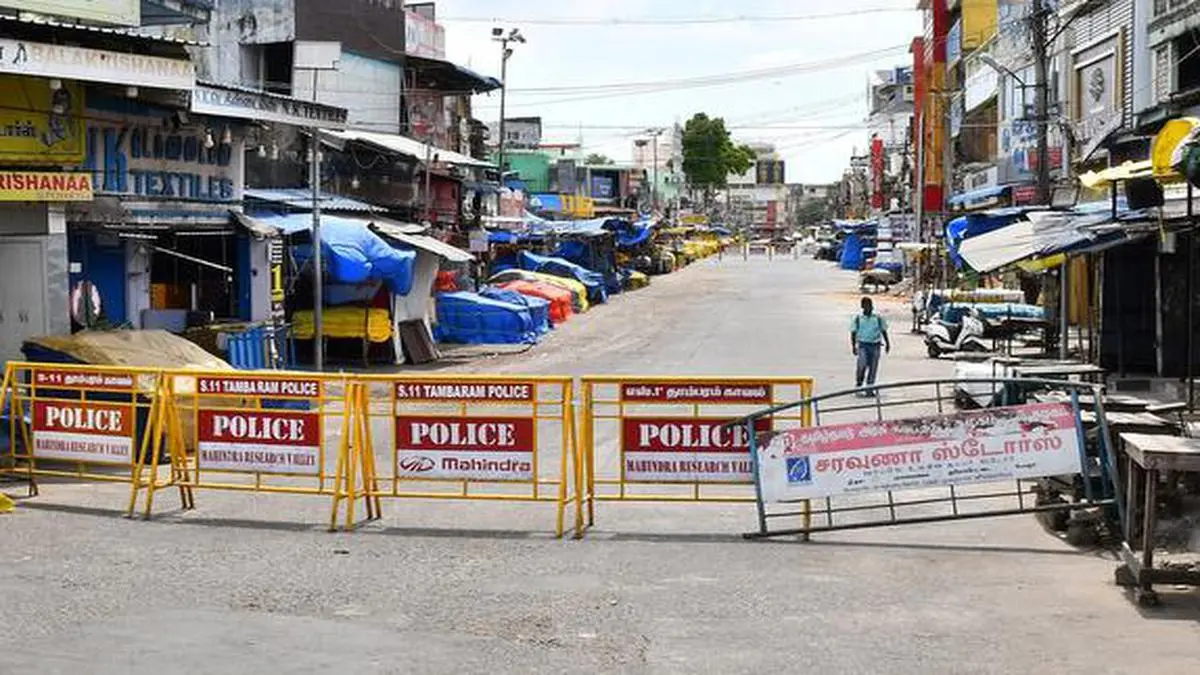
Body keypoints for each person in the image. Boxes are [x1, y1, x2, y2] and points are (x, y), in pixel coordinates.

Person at [850, 297, 890, 396]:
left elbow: (884, 331)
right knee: (862, 365)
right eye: (866, 305)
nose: (868, 307)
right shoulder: (858, 318)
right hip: (863, 345)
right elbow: (853, 333)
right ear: (862, 307)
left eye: (870, 305)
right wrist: (853, 346)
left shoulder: (878, 318)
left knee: (873, 368)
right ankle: (859, 385)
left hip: (875, 345)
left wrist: (887, 343)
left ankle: (869, 388)